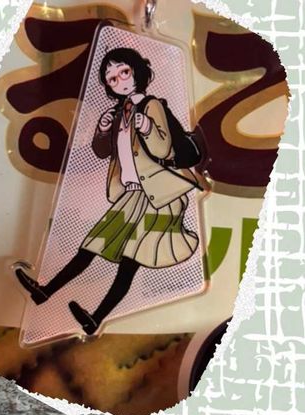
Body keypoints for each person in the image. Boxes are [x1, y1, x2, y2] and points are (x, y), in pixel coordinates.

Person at [15, 47, 201, 338]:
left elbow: (164, 148)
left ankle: (96, 318)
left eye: (124, 72)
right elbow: (103, 153)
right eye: (112, 79)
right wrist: (102, 131)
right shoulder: (117, 113)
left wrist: (147, 127)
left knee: (129, 263)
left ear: (138, 71)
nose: (119, 81)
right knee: (91, 245)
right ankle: (44, 292)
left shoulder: (152, 105)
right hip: (131, 195)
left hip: (158, 197)